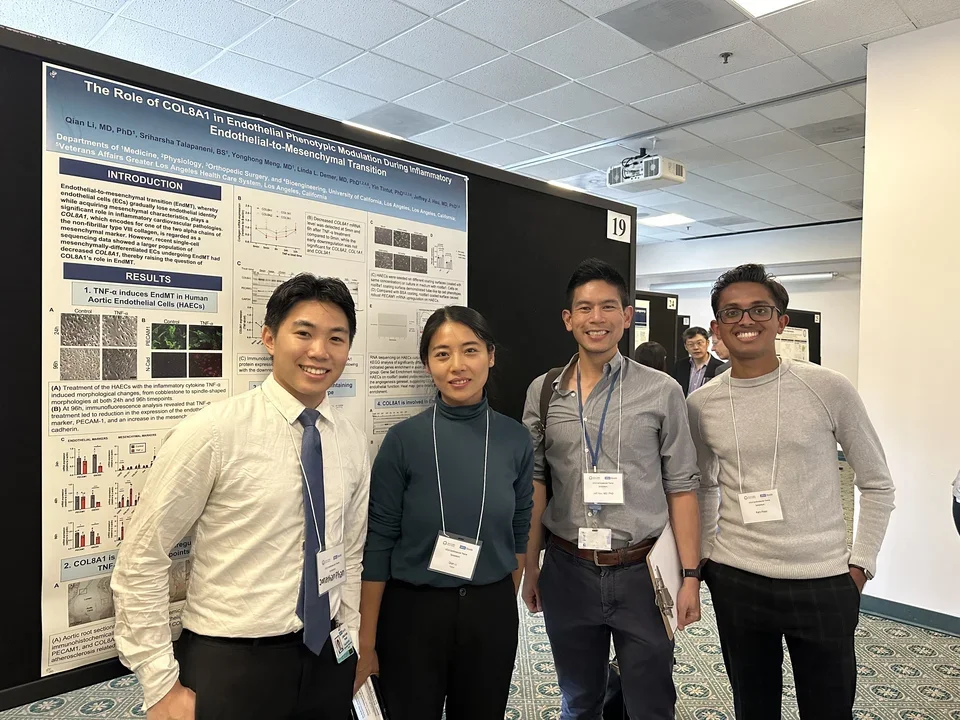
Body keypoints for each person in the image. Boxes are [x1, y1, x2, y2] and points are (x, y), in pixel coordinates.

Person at [112, 274, 371, 720]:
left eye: (336, 338)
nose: (319, 351)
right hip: (231, 662)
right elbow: (142, 557)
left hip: (327, 657)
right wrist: (160, 685)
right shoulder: (214, 432)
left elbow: (349, 553)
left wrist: (349, 639)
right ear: (270, 338)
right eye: (303, 333)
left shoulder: (351, 441)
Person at [687, 264, 896, 720]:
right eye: (732, 312)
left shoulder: (828, 387)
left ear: (781, 321)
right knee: (753, 706)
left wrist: (861, 564)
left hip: (822, 579)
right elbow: (703, 485)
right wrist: (704, 557)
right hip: (737, 577)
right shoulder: (701, 404)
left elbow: (877, 482)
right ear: (717, 327)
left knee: (828, 708)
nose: (746, 320)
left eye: (759, 310)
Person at [522, 258, 703, 720]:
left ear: (627, 316)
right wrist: (531, 566)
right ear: (568, 319)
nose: (596, 318)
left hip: (643, 572)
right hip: (568, 568)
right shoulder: (544, 391)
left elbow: (682, 487)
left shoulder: (661, 391)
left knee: (651, 705)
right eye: (584, 308)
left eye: (607, 307)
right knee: (579, 701)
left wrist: (690, 576)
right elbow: (537, 482)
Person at [355, 306, 533, 720]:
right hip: (413, 613)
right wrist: (367, 640)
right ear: (427, 364)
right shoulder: (403, 441)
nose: (457, 366)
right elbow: (378, 543)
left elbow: (519, 527)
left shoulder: (515, 439)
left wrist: (499, 601)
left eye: (470, 350)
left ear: (490, 355)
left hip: (490, 611)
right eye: (442, 354)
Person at [672, 326, 724, 397]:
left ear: (707, 343)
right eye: (690, 344)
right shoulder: (680, 366)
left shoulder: (720, 368)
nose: (695, 347)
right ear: (686, 347)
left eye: (699, 343)